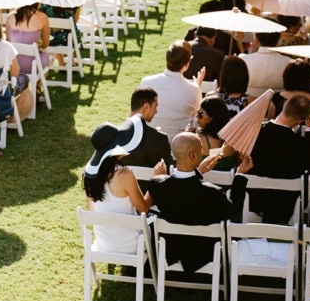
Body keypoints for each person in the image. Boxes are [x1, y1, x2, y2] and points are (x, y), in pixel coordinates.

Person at [148, 132, 252, 273]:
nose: (203, 152)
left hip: (173, 249)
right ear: (192, 155)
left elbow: (179, 188)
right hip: (203, 252)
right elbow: (234, 212)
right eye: (200, 149)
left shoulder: (157, 185)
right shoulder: (213, 193)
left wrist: (197, 170)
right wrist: (240, 174)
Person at [83, 119, 165, 254]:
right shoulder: (124, 175)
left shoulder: (91, 175)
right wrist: (155, 179)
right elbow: (144, 208)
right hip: (131, 244)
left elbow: (92, 211)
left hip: (105, 243)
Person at [249, 94, 310, 223]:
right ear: (300, 120)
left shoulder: (255, 133)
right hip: (283, 206)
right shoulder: (299, 144)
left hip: (254, 200)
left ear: (284, 105)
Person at [139, 41, 203, 140]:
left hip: (149, 142)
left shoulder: (146, 82)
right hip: (180, 146)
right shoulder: (194, 90)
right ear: (187, 64)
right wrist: (195, 87)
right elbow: (196, 118)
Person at [117, 87, 174, 172]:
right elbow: (167, 173)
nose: (156, 111)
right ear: (146, 107)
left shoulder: (112, 134)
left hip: (119, 184)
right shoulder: (160, 138)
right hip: (149, 185)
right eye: (155, 106)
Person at [238, 31, 290, 97]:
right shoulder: (288, 63)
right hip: (278, 104)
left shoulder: (243, 60)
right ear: (279, 38)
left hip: (249, 104)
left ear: (256, 38)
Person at [6, 2, 50, 76]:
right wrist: (38, 45)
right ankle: (38, 86)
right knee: (46, 56)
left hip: (12, 65)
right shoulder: (42, 17)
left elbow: (8, 41)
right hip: (33, 65)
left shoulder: (10, 17)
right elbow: (46, 44)